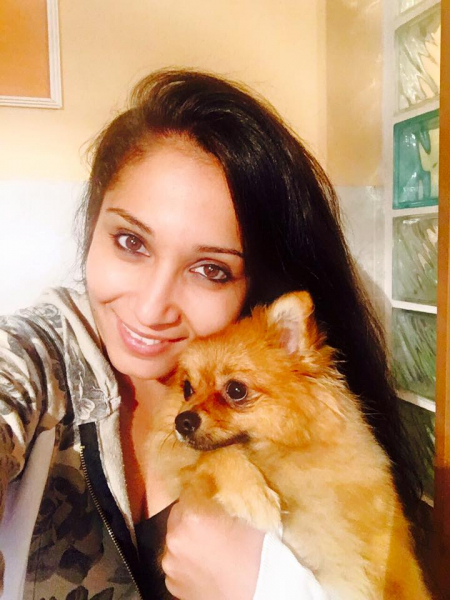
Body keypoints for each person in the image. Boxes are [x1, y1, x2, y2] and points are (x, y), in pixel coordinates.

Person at [0, 69, 420, 600]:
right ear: (93, 228)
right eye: (131, 242)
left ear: (256, 287)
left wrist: (264, 587)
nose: (151, 308)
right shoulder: (39, 358)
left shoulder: (323, 429)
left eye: (210, 269)